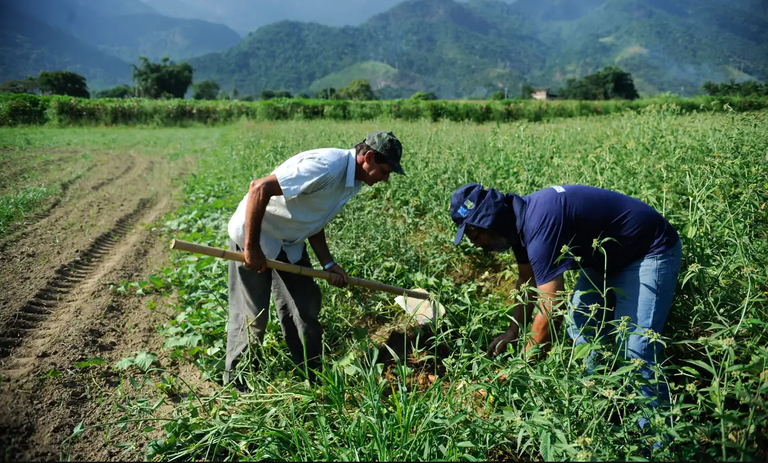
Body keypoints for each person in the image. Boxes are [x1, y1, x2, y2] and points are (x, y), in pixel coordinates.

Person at [449, 183, 682, 416]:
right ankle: (601, 409)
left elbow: (551, 303)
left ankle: (656, 442)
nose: (475, 244)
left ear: (489, 221)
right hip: (603, 259)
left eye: (473, 234)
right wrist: (513, 331)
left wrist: (522, 366)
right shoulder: (516, 225)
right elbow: (526, 280)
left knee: (636, 350)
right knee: (581, 329)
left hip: (648, 250)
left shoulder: (540, 222)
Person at [225, 131, 405, 387]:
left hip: (289, 243)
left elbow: (314, 219)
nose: (386, 179)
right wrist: (251, 248)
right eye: (385, 171)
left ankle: (312, 376)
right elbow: (259, 187)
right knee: (253, 317)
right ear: (369, 157)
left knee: (305, 306)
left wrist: (329, 264)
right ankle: (237, 383)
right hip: (255, 236)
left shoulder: (351, 182)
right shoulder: (327, 167)